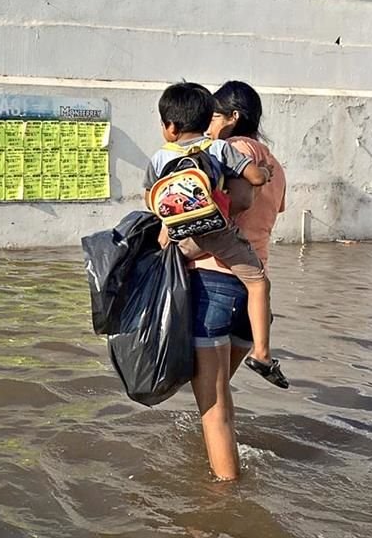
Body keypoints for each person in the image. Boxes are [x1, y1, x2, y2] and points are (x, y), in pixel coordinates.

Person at [144, 83, 287, 388]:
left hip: (207, 273)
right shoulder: (244, 155)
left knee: (213, 401)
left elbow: (150, 199)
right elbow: (255, 198)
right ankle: (262, 353)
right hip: (235, 260)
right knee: (259, 283)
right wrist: (264, 173)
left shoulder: (163, 156)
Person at [184, 80, 287, 481]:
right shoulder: (273, 163)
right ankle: (220, 463)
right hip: (252, 290)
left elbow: (240, 202)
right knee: (218, 395)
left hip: (217, 283)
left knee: (214, 408)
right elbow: (270, 211)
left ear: (233, 118)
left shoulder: (235, 152)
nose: (208, 127)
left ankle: (226, 503)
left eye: (213, 117)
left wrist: (188, 243)